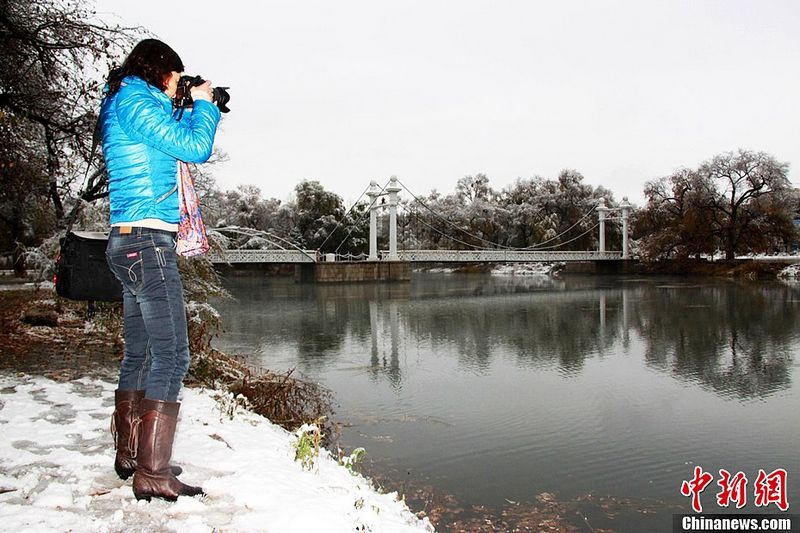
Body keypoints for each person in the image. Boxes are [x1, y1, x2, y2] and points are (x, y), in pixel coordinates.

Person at [100, 39, 220, 501]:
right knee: (173, 356)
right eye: (176, 78)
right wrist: (204, 106)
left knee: (142, 353)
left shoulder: (127, 102)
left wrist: (196, 105)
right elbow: (193, 148)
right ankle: (152, 471)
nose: (178, 87)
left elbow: (171, 140)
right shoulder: (135, 100)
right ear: (162, 71)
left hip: (129, 240)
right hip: (148, 243)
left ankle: (133, 455)